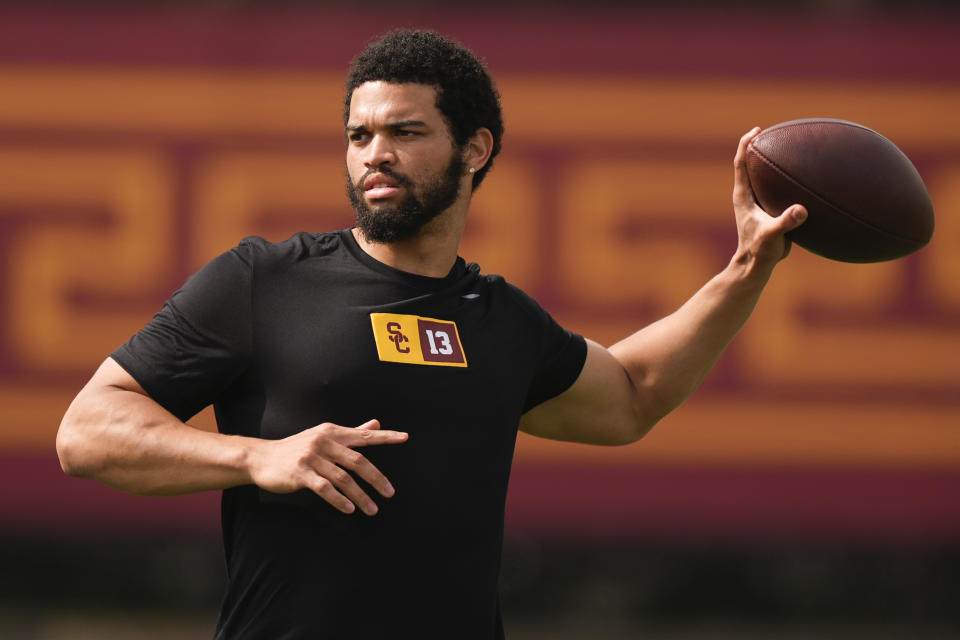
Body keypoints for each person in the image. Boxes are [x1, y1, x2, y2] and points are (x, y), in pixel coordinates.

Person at [56, 29, 806, 639]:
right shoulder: (264, 280)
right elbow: (88, 431)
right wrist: (259, 456)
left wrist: (748, 265)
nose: (373, 153)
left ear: (474, 150)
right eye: (358, 134)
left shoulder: (500, 318)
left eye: (404, 131)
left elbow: (633, 394)